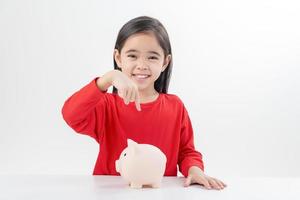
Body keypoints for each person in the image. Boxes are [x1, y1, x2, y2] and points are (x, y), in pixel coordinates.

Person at [62, 16, 227, 190]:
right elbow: (70, 115)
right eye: (132, 55)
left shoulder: (175, 106)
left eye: (152, 57)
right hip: (112, 192)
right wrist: (108, 78)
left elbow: (186, 152)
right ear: (118, 58)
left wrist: (195, 170)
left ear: (165, 62)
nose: (142, 65)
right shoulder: (106, 105)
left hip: (159, 192)